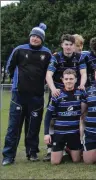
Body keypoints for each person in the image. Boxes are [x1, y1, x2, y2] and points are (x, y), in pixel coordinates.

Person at [2, 23, 53, 166]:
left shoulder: (47, 53)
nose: (35, 39)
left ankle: (32, 152)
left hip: (37, 97)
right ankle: (8, 156)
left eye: (38, 37)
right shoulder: (19, 50)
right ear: (30, 36)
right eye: (33, 36)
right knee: (14, 127)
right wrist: (16, 82)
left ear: (42, 39)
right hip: (18, 96)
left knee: (33, 127)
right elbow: (9, 67)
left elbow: (50, 72)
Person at [43, 34, 87, 161]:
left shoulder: (80, 57)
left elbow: (83, 73)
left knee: (79, 115)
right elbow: (49, 75)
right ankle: (51, 148)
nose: (68, 47)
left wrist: (82, 85)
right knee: (53, 118)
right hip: (58, 91)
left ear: (74, 46)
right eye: (66, 44)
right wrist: (53, 89)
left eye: (70, 45)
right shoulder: (56, 57)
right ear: (62, 45)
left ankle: (76, 144)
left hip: (74, 90)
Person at [43, 69, 83, 165]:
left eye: (71, 79)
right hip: (59, 132)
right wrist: (46, 134)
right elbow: (48, 115)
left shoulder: (81, 94)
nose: (69, 81)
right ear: (63, 80)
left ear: (76, 80)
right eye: (66, 79)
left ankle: (69, 148)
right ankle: (62, 147)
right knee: (55, 162)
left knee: (76, 160)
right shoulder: (57, 94)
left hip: (74, 133)